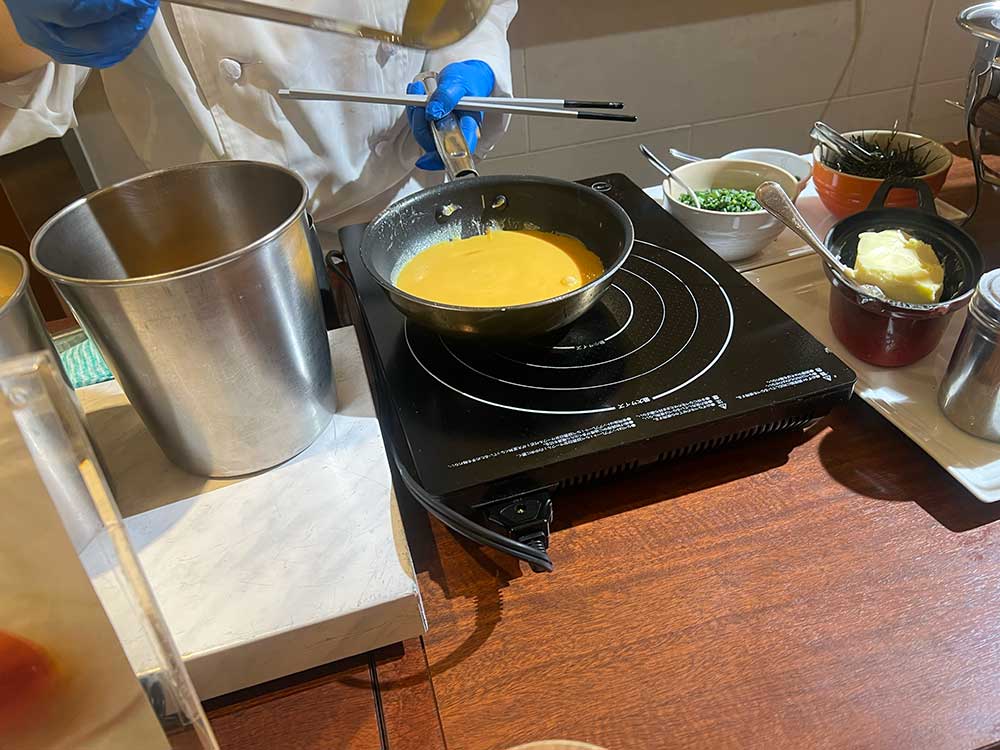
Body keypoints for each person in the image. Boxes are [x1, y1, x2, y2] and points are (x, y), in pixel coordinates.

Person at [0, 0, 517, 232]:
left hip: (398, 200)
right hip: (215, 237)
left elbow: (464, 7)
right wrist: (18, 25)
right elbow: (21, 89)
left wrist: (467, 57)